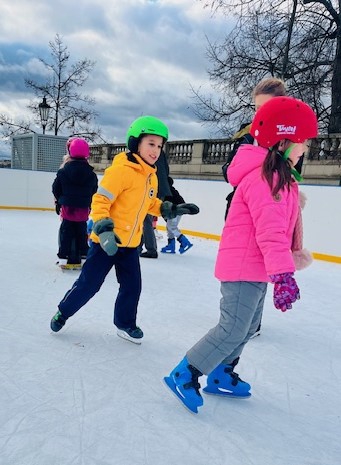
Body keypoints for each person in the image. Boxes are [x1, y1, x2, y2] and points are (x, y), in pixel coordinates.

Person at [163, 96, 318, 414]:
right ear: (283, 141)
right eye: (302, 143)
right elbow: (271, 232)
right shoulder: (267, 179)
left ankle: (221, 372)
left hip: (256, 266)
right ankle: (185, 372)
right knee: (232, 326)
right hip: (244, 266)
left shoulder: (280, 178)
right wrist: (283, 273)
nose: (305, 150)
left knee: (246, 328)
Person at [50, 116, 199, 343]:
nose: (156, 150)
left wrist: (171, 209)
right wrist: (104, 231)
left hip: (130, 245)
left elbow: (150, 204)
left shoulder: (151, 176)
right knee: (89, 285)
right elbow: (100, 202)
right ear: (135, 142)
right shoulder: (120, 171)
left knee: (132, 287)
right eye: (151, 143)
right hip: (106, 242)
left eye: (159, 146)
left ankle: (125, 324)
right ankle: (64, 312)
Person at [52, 138, 98, 268]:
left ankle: (63, 259)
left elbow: (56, 188)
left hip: (68, 208)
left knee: (66, 232)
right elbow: (94, 190)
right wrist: (88, 202)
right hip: (83, 209)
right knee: (81, 233)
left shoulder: (63, 171)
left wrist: (59, 201)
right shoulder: (91, 174)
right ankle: (83, 257)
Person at [140, 150, 172, 258]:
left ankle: (151, 249)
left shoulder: (146, 152)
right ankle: (138, 246)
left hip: (153, 189)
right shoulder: (159, 152)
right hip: (161, 188)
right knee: (144, 218)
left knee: (146, 219)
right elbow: (166, 170)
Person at [161, 177, 193, 254]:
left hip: (175, 210)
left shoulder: (168, 191)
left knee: (171, 227)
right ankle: (171, 245)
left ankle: (185, 242)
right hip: (177, 210)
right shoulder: (172, 189)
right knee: (169, 227)